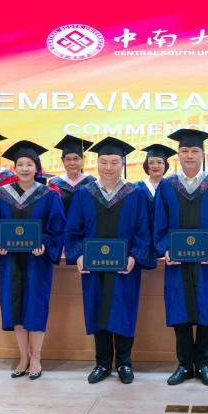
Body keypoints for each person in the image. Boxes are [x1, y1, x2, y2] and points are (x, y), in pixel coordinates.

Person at [64, 137, 156, 385]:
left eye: (114, 162)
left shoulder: (135, 194)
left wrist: (135, 256)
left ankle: (124, 363)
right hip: (94, 268)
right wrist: (79, 255)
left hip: (125, 268)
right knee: (98, 310)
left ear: (122, 164)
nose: (108, 167)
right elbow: (72, 231)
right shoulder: (84, 194)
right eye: (104, 162)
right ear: (96, 163)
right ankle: (102, 363)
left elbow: (144, 231)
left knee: (124, 311)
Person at [154, 129, 208, 387]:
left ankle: (203, 364)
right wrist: (166, 248)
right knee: (180, 310)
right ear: (178, 155)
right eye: (185, 151)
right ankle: (184, 364)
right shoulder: (167, 186)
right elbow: (159, 222)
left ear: (203, 154)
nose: (189, 155)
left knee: (205, 310)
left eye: (194, 151)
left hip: (207, 261)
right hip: (177, 261)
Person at [0, 141, 66, 380]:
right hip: (10, 262)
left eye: (29, 164)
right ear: (14, 168)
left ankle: (36, 357)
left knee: (35, 308)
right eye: (20, 164)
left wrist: (45, 245)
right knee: (15, 308)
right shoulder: (2, 195)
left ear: (37, 168)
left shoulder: (49, 196)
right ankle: (23, 357)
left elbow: (57, 229)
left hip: (37, 263)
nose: (25, 168)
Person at [48, 135, 96, 216]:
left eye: (76, 158)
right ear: (62, 161)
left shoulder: (92, 182)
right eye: (68, 159)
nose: (72, 163)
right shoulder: (54, 184)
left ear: (83, 159)